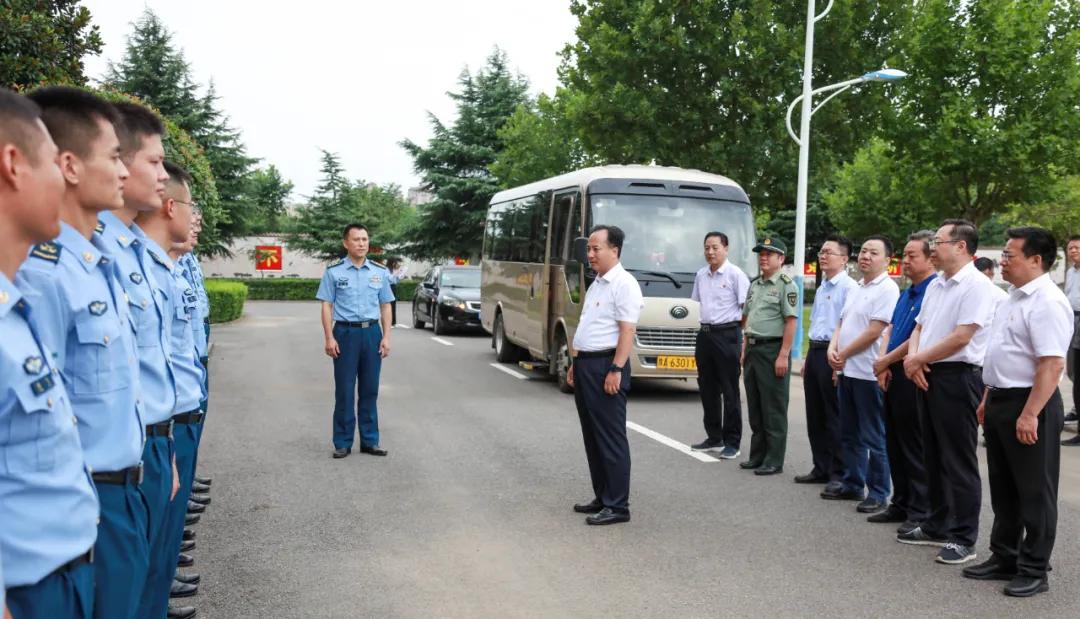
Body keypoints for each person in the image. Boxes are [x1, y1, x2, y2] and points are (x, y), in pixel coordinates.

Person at [15, 86, 148, 619]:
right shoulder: (41, 277)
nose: (125, 171)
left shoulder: (98, 265)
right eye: (115, 156)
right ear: (69, 166)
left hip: (113, 496)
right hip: (73, 516)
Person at [0, 86, 100, 619]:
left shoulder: (15, 303)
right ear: (13, 164)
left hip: (65, 573)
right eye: (51, 164)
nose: (63, 180)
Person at [103, 101, 194, 619]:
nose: (162, 177)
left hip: (149, 446)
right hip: (107, 472)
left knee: (145, 588)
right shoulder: (95, 258)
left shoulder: (135, 257)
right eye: (153, 162)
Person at [963, 226, 1073, 597]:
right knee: (1005, 487)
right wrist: (987, 396)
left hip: (1031, 403)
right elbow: (1003, 354)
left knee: (1034, 491)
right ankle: (1005, 555)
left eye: (1010, 255)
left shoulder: (1048, 301)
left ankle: (1034, 568)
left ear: (1036, 260)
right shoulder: (1012, 297)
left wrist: (1029, 414)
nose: (1002, 261)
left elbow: (1051, 365)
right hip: (1000, 399)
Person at [899, 219, 998, 565]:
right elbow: (920, 327)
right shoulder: (938, 284)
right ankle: (937, 523)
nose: (932, 248)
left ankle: (964, 537)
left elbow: (962, 336)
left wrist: (917, 360)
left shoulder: (976, 286)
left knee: (958, 458)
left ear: (961, 246)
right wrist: (914, 357)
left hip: (958, 377)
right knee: (933, 453)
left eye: (938, 241)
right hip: (927, 371)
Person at [566, 225, 643, 524]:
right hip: (587, 364)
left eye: (596, 248)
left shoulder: (625, 283)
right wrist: (576, 361)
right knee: (592, 436)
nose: (590, 254)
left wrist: (616, 368)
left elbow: (627, 330)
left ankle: (618, 505)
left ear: (615, 250)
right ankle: (603, 496)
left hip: (606, 365)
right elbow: (589, 326)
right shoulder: (597, 282)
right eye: (589, 249)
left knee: (610, 438)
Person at [826, 236, 899, 513]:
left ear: (887, 260)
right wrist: (833, 350)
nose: (866, 256)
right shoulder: (857, 287)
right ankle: (853, 483)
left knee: (873, 435)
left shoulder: (887, 289)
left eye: (873, 252)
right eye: (864, 251)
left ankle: (879, 492)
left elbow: (873, 331)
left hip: (868, 373)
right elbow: (842, 323)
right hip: (847, 372)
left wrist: (842, 355)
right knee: (849, 433)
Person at [870, 231, 936, 533]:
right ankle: (901, 502)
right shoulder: (906, 292)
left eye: (913, 256)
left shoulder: (932, 291)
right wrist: (883, 362)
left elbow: (914, 337)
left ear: (929, 258)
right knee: (893, 441)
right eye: (905, 255)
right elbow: (892, 328)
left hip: (913, 375)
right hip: (893, 373)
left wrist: (886, 361)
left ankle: (920, 510)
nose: (905, 261)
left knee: (913, 445)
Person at [317, 224, 393, 458]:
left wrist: (387, 336)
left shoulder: (379, 272)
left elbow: (386, 304)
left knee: (370, 390)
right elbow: (326, 305)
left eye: (365, 239)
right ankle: (342, 441)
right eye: (357, 239)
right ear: (346, 243)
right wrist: (329, 337)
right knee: (345, 390)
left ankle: (370, 441)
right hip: (345, 334)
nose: (362, 243)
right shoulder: (334, 272)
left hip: (371, 333)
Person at [798, 234, 856, 487]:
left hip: (834, 356)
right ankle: (820, 467)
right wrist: (807, 358)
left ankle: (838, 472)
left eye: (829, 252)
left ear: (844, 259)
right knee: (815, 413)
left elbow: (847, 327)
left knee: (835, 416)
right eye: (821, 252)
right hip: (815, 352)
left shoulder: (849, 288)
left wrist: (839, 363)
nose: (822, 256)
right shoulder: (823, 287)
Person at [739, 237, 799, 476]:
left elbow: (791, 321)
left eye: (769, 254)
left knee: (773, 407)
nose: (763, 257)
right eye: (761, 254)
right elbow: (748, 318)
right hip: (753, 349)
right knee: (755, 406)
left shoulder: (786, 285)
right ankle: (758, 455)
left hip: (772, 350)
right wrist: (744, 347)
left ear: (781, 259)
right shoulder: (755, 285)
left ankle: (774, 459)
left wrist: (784, 355)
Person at [689, 231, 750, 459]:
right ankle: (714, 437)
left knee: (730, 390)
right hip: (705, 334)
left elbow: (746, 310)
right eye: (707, 247)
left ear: (726, 248)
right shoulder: (701, 275)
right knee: (707, 388)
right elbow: (700, 303)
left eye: (715, 247)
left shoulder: (735, 275)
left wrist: (736, 332)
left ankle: (732, 442)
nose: (710, 252)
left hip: (727, 335)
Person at [1062, 235, 1080, 441]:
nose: (1073, 251)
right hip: (1072, 321)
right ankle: (1076, 407)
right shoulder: (1071, 271)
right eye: (1070, 248)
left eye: (1076, 247)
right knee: (1073, 370)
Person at [386, 257, 407, 327]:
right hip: (388, 287)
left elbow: (396, 280)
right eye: (395, 263)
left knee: (394, 304)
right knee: (390, 305)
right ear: (391, 263)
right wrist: (396, 273)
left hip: (393, 287)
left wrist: (400, 275)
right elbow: (389, 278)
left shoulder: (393, 270)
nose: (396, 264)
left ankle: (394, 322)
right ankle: (390, 322)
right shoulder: (387, 270)